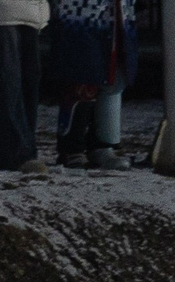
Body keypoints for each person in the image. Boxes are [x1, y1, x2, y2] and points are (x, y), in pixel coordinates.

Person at [45, 0, 134, 169]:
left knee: (113, 79)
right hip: (80, 14)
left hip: (115, 15)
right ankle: (72, 147)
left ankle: (103, 144)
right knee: (81, 78)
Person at [0, 0, 52, 173]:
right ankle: (18, 154)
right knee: (9, 81)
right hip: (3, 11)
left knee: (27, 81)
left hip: (29, 12)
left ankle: (12, 152)